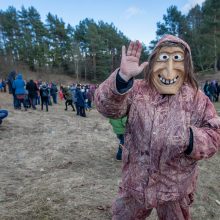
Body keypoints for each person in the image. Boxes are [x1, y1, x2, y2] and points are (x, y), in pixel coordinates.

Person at [95, 35, 220, 220]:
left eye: (177, 59)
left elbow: (215, 133)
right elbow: (107, 107)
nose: (169, 69)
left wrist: (190, 138)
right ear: (153, 63)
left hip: (176, 188)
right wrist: (122, 78)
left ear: (187, 66)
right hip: (136, 184)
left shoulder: (197, 98)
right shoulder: (137, 91)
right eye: (163, 58)